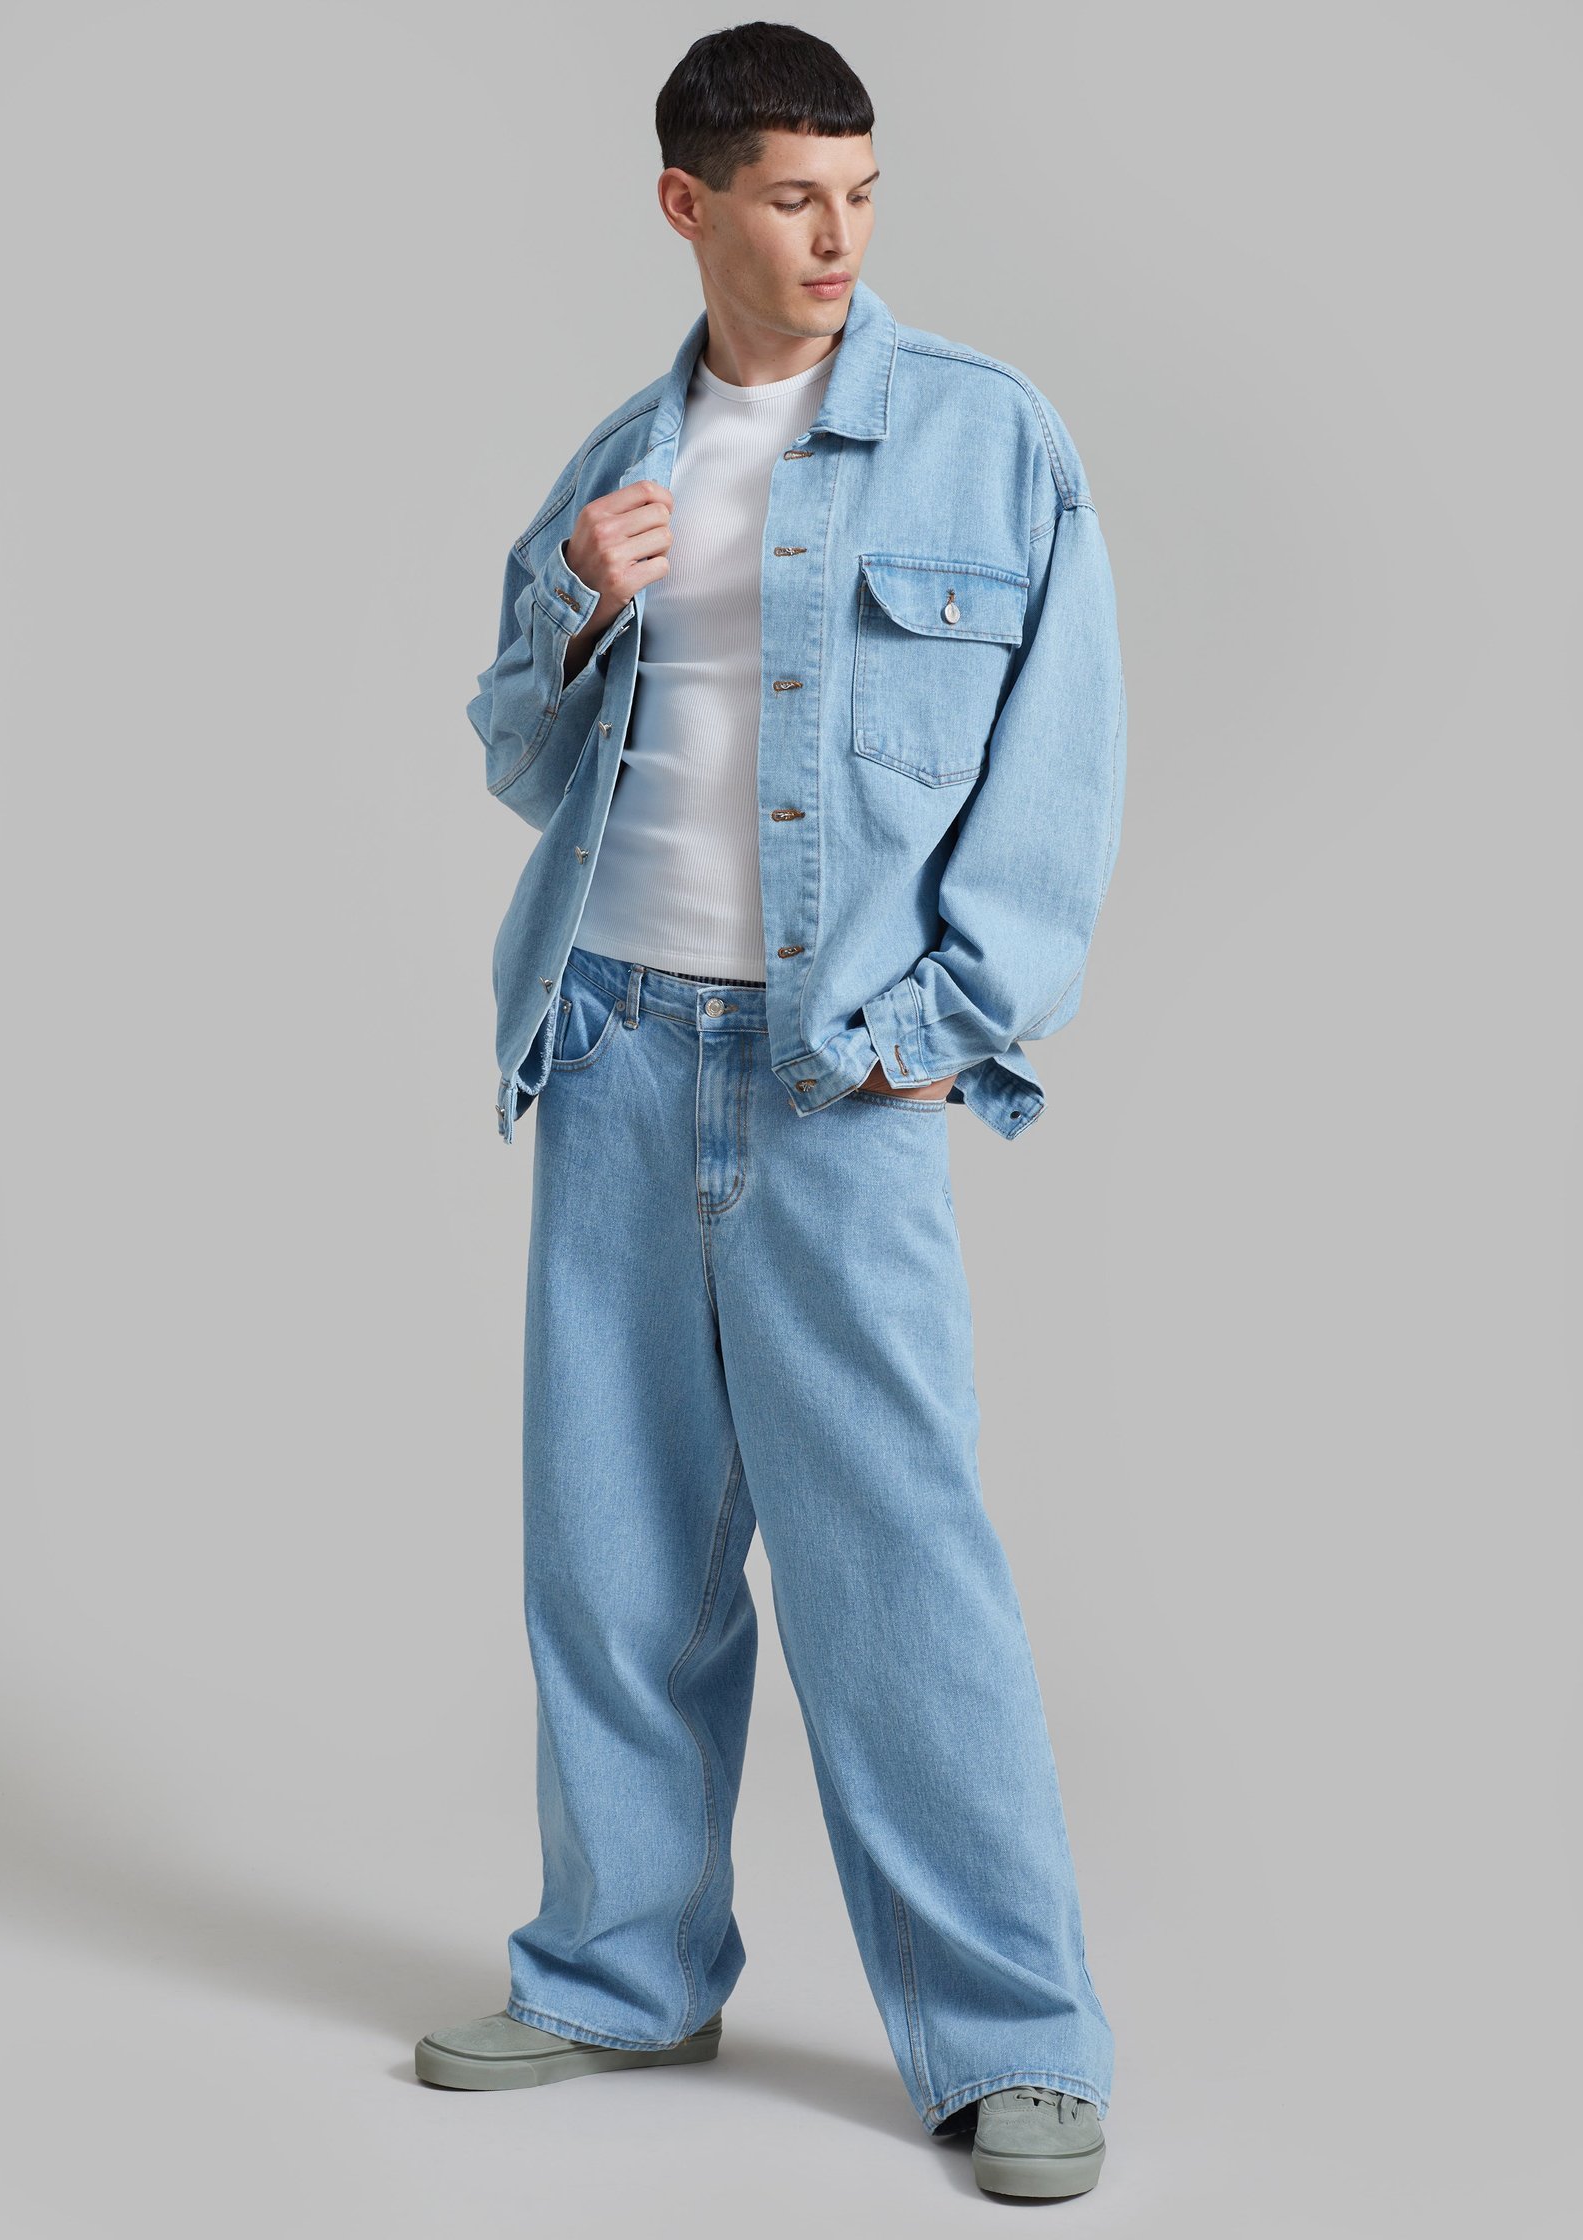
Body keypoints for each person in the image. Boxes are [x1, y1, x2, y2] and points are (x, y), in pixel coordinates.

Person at [416, 20, 1126, 2204]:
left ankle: (1015, 2037)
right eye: (796, 197)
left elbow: (1063, 757)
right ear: (688, 203)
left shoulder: (985, 439)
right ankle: (618, 1969)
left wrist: (949, 1016)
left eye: (863, 193)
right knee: (612, 1548)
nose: (839, 238)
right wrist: (578, 599)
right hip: (613, 1045)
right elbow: (514, 753)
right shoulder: (622, 455)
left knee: (897, 1565)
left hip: (833, 1071)